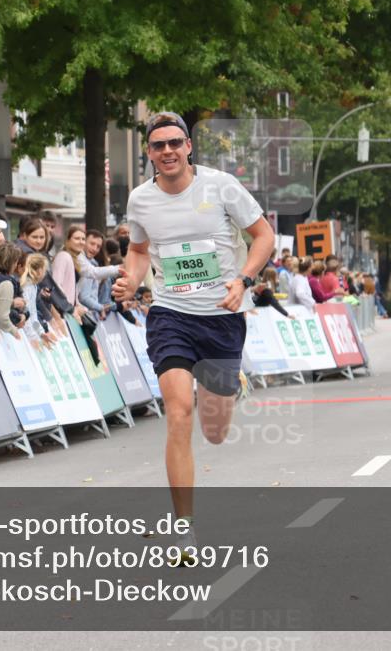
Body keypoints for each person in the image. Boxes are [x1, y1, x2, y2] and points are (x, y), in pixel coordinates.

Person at [111, 111, 274, 561]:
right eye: (157, 145)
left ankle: (227, 386)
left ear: (188, 147)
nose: (167, 151)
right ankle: (184, 529)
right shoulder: (141, 200)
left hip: (222, 317)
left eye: (174, 143)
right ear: (148, 153)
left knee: (215, 430)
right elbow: (140, 251)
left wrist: (242, 279)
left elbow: (263, 236)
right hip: (170, 315)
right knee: (179, 412)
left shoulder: (221, 186)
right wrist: (130, 280)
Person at [78, 228, 119, 321]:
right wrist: (100, 308)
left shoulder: (92, 263)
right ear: (84, 242)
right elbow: (84, 297)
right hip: (83, 315)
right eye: (92, 244)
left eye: (98, 246)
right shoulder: (83, 263)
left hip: (89, 314)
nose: (95, 249)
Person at [0, 243, 27, 339]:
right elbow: (2, 317)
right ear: (11, 262)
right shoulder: (6, 283)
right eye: (15, 262)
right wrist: (14, 331)